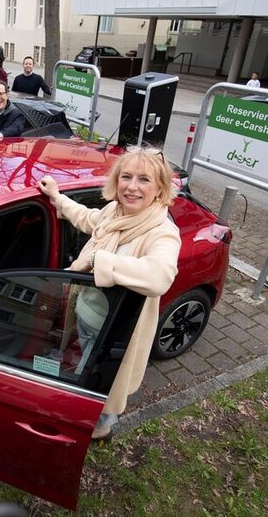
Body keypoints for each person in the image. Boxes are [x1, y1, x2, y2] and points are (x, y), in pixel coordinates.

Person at [37, 148, 181, 440]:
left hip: (113, 333)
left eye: (144, 179)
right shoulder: (114, 212)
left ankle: (101, 429)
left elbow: (159, 275)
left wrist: (98, 260)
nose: (132, 186)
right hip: (87, 315)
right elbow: (90, 219)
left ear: (159, 189)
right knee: (84, 370)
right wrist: (57, 197)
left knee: (104, 383)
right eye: (126, 177)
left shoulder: (162, 231)